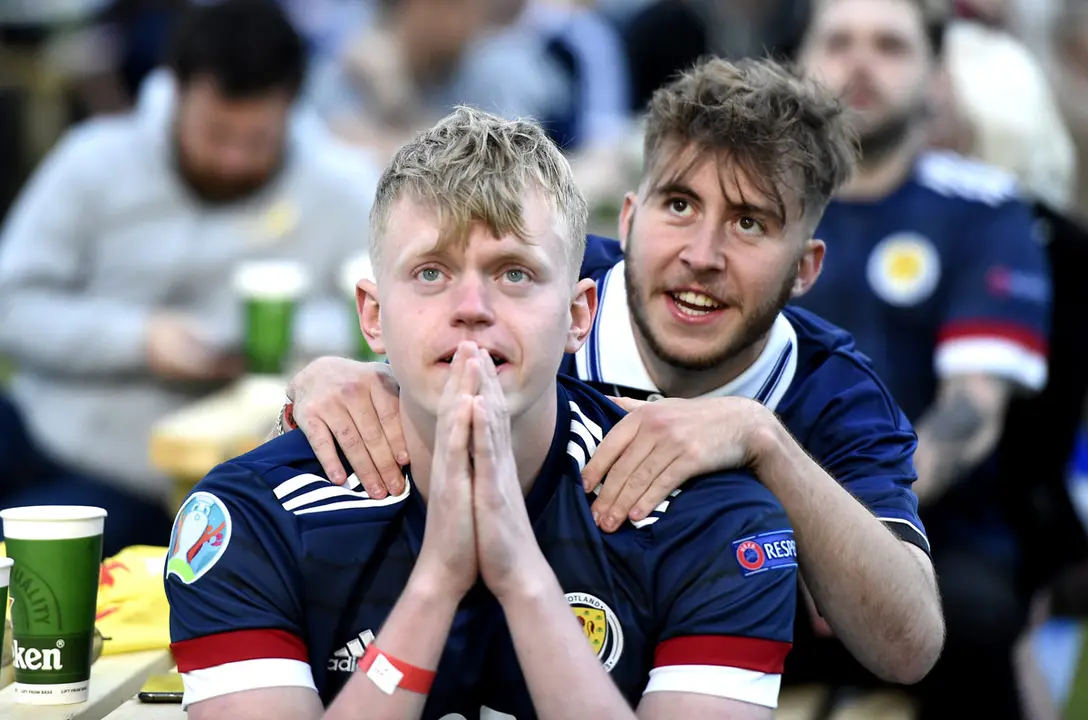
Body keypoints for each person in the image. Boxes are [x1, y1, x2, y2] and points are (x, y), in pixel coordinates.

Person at [274, 56, 945, 684]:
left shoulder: (835, 388)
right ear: (627, 217)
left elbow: (910, 645)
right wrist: (330, 375)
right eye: (678, 205)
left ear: (805, 268)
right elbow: (423, 304)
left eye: (749, 223)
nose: (702, 254)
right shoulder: (541, 284)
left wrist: (761, 441)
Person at [165, 106, 800, 719]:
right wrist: (435, 583)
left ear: (579, 315)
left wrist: (521, 576)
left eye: (515, 273)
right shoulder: (248, 514)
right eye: (432, 273)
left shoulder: (712, 516)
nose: (472, 306)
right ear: (374, 316)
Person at [0, 0, 376, 557]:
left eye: (255, 141)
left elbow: (378, 322)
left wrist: (259, 337)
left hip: (149, 484)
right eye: (215, 133)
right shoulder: (93, 161)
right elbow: (13, 305)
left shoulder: (342, 190)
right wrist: (140, 340)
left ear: (292, 107)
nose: (231, 159)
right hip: (41, 421)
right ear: (175, 92)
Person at [792, 0, 1052, 716]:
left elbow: (973, 410)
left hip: (932, 538)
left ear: (937, 78)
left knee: (973, 617)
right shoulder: (756, 204)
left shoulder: (983, 210)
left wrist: (850, 541)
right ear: (800, 64)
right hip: (754, 528)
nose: (860, 62)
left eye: (890, 45)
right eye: (839, 40)